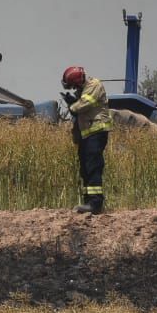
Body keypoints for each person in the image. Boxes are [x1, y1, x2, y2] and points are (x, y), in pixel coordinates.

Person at [61, 65, 112, 214]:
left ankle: (95, 203)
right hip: (87, 134)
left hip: (96, 132)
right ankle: (88, 201)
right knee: (85, 168)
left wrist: (72, 105)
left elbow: (84, 104)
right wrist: (73, 100)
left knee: (93, 166)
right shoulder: (83, 89)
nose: (72, 88)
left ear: (76, 81)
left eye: (72, 86)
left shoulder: (94, 85)